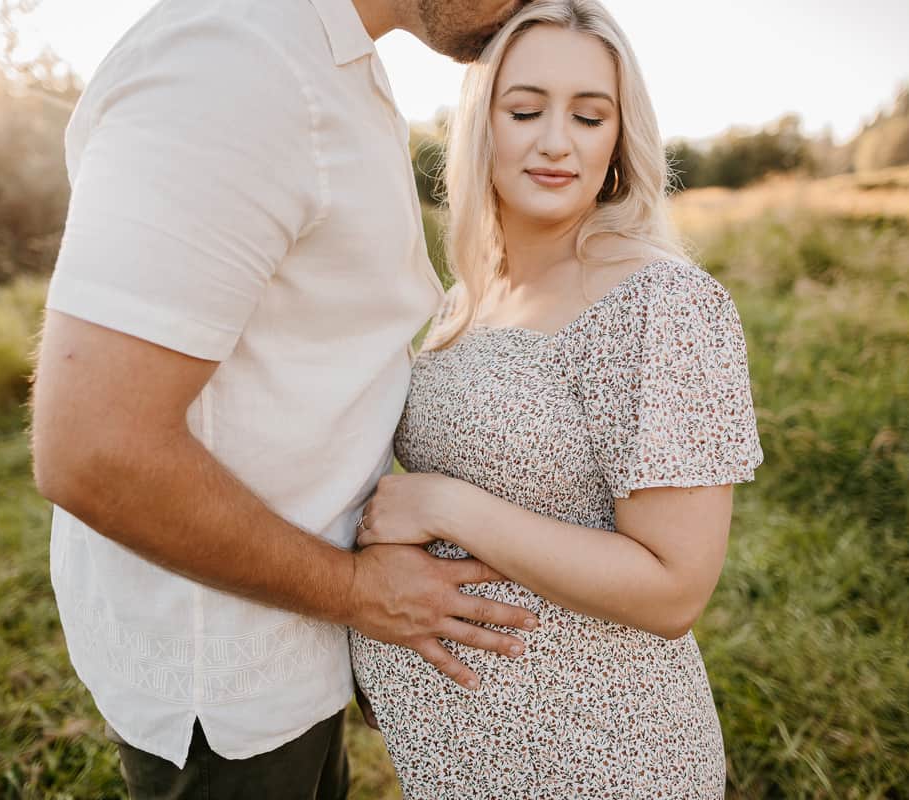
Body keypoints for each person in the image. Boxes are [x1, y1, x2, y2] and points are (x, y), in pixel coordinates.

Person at [29, 1, 538, 797]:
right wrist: (362, 596)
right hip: (229, 686)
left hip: (294, 629)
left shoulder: (330, 59)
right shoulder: (235, 65)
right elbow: (95, 449)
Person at [349, 1, 765, 796]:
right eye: (526, 108)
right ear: (483, 126)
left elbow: (674, 587)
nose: (553, 141)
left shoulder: (659, 304)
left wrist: (446, 507)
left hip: (601, 760)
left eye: (588, 115)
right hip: (464, 761)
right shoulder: (466, 300)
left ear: (617, 141)